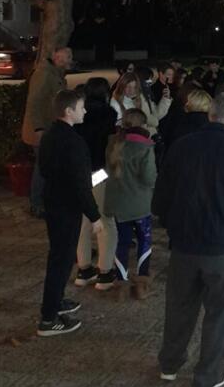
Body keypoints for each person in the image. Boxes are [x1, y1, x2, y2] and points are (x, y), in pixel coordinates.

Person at [153, 92, 224, 387]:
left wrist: (172, 228)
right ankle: (207, 375)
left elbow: (161, 196)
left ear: (210, 114)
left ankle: (170, 364)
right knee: (218, 312)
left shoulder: (181, 147)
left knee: (179, 307)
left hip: (184, 245)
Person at [37, 90, 103, 336]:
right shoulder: (73, 142)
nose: (84, 111)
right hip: (66, 207)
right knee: (61, 260)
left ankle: (56, 301)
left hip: (54, 201)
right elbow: (80, 184)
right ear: (68, 111)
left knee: (60, 257)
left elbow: (45, 170)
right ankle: (48, 318)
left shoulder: (50, 135)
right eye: (81, 107)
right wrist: (94, 215)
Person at [104, 108, 157, 298]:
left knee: (122, 242)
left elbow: (107, 171)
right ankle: (142, 283)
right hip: (140, 204)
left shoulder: (113, 143)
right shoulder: (145, 147)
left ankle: (121, 284)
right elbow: (149, 179)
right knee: (144, 240)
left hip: (118, 203)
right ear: (142, 125)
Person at [74, 77, 119, 291]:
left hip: (79, 173)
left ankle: (84, 268)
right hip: (99, 170)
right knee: (104, 220)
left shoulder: (79, 113)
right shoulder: (108, 114)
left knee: (83, 219)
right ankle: (105, 271)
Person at [21, 46, 73, 217]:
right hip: (41, 130)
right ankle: (36, 204)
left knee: (46, 166)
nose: (70, 60)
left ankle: (43, 201)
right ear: (56, 57)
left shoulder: (55, 74)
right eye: (67, 56)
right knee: (42, 167)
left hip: (48, 129)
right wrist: (38, 128)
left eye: (69, 56)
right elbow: (34, 103)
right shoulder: (44, 74)